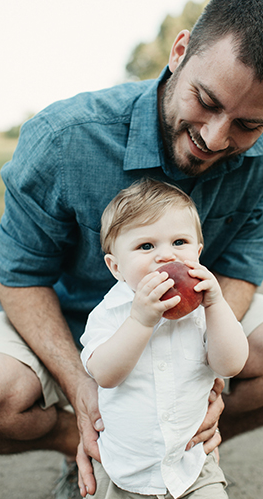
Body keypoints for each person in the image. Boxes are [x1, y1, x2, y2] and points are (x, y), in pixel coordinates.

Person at [0, 0, 263, 498]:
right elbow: (18, 276)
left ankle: (182, 454)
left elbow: (241, 261)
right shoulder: (64, 137)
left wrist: (208, 377)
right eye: (207, 101)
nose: (215, 137)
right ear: (180, 51)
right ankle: (97, 450)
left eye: (248, 124)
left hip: (189, 321)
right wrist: (85, 392)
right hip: (70, 319)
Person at [80, 179, 249, 499]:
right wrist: (140, 321)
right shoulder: (110, 315)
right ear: (116, 267)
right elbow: (105, 374)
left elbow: (231, 364)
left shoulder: (205, 312)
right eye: (146, 246)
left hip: (191, 468)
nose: (165, 256)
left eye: (180, 242)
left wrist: (216, 304)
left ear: (198, 252)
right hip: (125, 470)